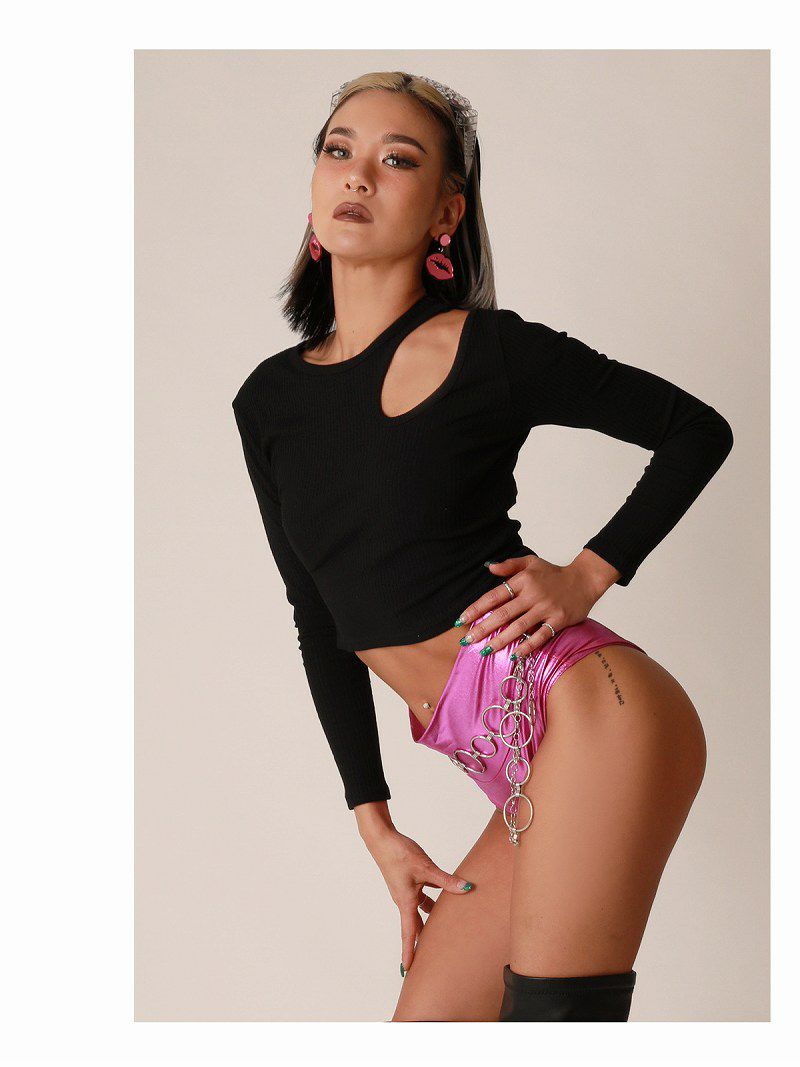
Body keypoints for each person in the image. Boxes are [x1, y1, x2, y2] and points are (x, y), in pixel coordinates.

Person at [231, 70, 734, 1022]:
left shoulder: (489, 350)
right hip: (513, 755)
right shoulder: (269, 401)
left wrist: (588, 573)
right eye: (339, 150)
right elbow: (317, 615)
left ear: (446, 212)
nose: (359, 175)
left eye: (398, 159)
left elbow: (695, 430)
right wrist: (374, 820)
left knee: (552, 1022)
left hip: (595, 709)